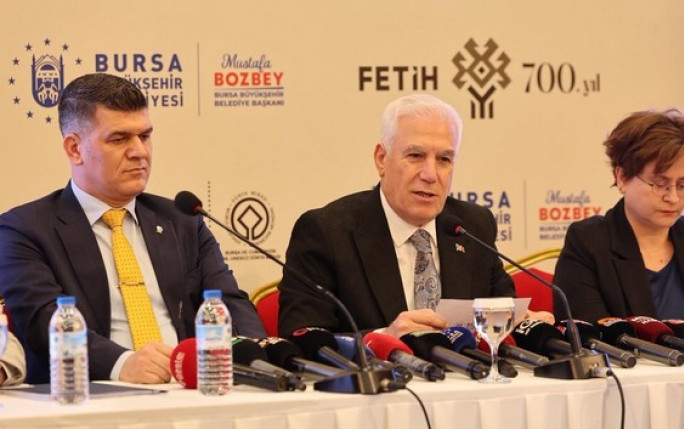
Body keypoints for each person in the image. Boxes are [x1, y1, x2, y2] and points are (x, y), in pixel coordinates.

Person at [0, 73, 265, 385]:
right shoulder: (25, 229)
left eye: (145, 136)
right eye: (119, 139)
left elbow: (231, 303)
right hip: (92, 394)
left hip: (192, 388)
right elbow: (43, 322)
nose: (140, 151)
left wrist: (256, 357)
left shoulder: (182, 220)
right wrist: (123, 364)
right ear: (74, 149)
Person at [278, 94, 553, 338]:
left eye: (444, 159)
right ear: (381, 159)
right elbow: (304, 337)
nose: (430, 175)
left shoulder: (472, 226)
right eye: (416, 155)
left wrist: (523, 326)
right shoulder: (326, 232)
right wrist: (384, 337)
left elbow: (499, 314)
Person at [553, 109, 684, 324]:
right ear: (622, 177)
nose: (673, 197)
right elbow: (589, 334)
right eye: (659, 184)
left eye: (682, 185)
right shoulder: (588, 242)